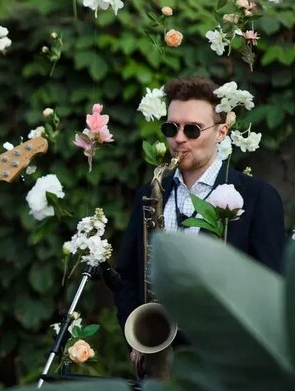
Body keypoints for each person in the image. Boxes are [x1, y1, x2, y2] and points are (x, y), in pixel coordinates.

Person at [114, 76, 286, 375]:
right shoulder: (149, 194)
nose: (179, 139)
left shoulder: (259, 198)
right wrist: (140, 337)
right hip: (160, 363)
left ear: (221, 132)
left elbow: (271, 289)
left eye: (192, 129)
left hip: (227, 366)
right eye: (171, 128)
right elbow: (126, 276)